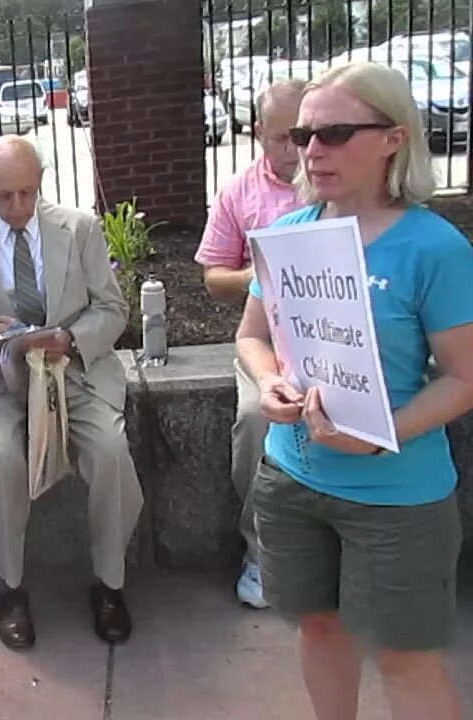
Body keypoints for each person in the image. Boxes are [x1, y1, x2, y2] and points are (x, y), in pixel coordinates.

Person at [238, 62, 473, 720]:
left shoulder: (435, 249)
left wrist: (383, 433)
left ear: (394, 138)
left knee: (405, 660)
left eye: (334, 133)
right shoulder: (287, 235)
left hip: (397, 498)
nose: (311, 150)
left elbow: (465, 376)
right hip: (292, 477)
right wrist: (268, 380)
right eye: (304, 134)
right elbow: (253, 336)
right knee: (318, 628)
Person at [0, 136, 144, 649]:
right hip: (1, 380)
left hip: (73, 372)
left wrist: (69, 339)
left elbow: (113, 309)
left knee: (112, 452)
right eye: (5, 196)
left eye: (28, 193)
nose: (18, 207)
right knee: (3, 459)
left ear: (41, 182)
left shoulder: (79, 229)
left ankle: (110, 584)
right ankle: (11, 587)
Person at [194, 78, 306, 610]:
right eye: (281, 137)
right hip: (270, 337)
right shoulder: (241, 190)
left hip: (344, 337)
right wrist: (262, 273)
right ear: (259, 133)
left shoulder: (338, 180)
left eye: (304, 135)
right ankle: (261, 550)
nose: (295, 150)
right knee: (255, 419)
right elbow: (213, 278)